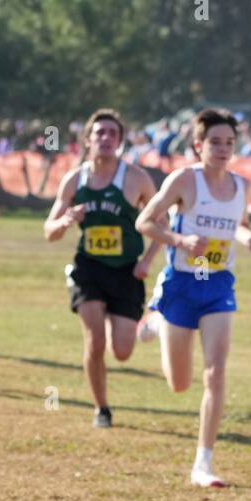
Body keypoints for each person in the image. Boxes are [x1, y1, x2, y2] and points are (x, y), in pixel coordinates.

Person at [135, 109, 251, 486]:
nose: (223, 149)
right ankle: (158, 321)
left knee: (215, 372)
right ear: (198, 146)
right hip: (181, 284)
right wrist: (180, 241)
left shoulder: (242, 186)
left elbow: (239, 226)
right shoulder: (184, 180)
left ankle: (203, 463)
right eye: (215, 142)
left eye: (229, 143)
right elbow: (144, 221)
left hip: (218, 285)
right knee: (178, 383)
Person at [44, 108, 159, 427]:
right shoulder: (74, 179)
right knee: (95, 342)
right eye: (100, 133)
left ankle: (137, 321)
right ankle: (101, 409)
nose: (106, 138)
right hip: (88, 269)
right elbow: (49, 231)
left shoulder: (136, 178)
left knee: (122, 351)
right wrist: (66, 220)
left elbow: (161, 224)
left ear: (120, 141)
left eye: (112, 133)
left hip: (126, 271)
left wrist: (147, 261)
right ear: (88, 140)